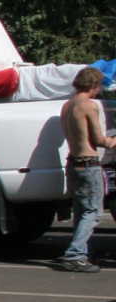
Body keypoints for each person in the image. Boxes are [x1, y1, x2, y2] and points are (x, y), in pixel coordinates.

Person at [49, 66, 115, 272]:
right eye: (99, 86)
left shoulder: (67, 106)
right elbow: (99, 139)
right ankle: (75, 254)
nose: (99, 90)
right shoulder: (89, 106)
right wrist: (113, 140)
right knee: (93, 211)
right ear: (93, 85)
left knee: (80, 211)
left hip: (73, 163)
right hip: (88, 163)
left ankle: (81, 251)